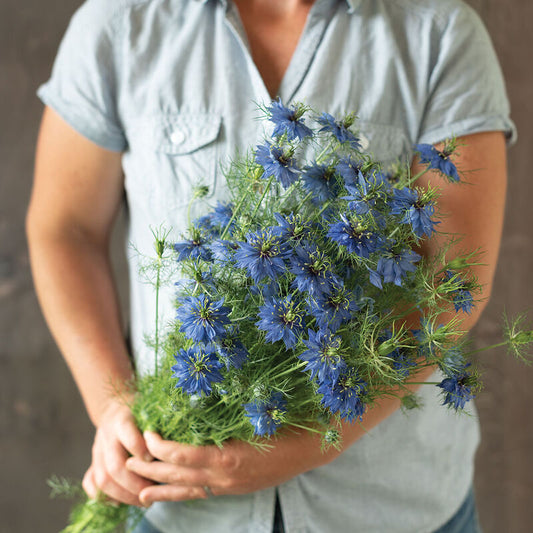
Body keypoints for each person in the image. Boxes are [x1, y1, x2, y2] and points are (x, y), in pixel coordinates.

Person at [27, 0, 515, 531]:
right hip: (177, 498)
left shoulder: (439, 32)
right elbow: (65, 230)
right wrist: (116, 405)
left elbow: (451, 283)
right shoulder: (120, 24)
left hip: (389, 505)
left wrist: (313, 443)